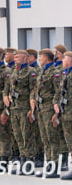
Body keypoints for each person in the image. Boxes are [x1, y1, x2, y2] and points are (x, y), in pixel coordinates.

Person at [33, 48, 64, 178]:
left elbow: (59, 91)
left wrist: (55, 109)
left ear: (47, 58)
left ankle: (55, 167)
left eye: (41, 57)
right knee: (45, 139)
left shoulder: (55, 73)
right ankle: (49, 164)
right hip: (41, 108)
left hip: (49, 108)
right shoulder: (42, 71)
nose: (40, 59)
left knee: (52, 139)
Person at [55, 51, 72, 180]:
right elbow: (61, 92)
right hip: (66, 113)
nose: (62, 61)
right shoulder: (66, 74)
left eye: (65, 59)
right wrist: (56, 104)